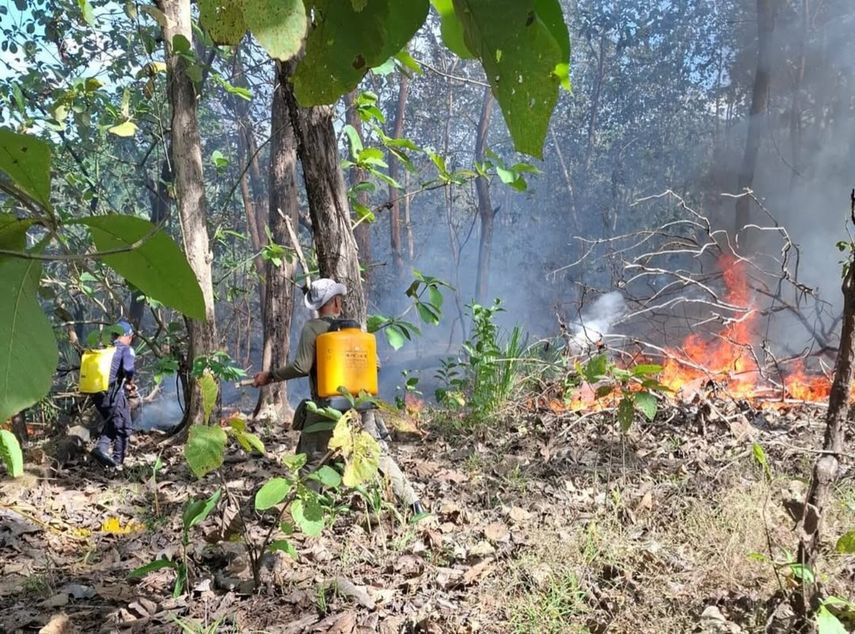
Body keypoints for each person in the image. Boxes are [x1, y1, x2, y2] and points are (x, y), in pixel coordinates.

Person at [253, 278, 425, 515]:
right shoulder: (356, 331)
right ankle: (415, 504)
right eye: (339, 300)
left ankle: (305, 514)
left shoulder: (312, 328)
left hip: (328, 408)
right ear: (335, 302)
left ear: (315, 305)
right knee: (378, 456)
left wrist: (270, 375)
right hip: (361, 405)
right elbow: (375, 367)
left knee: (310, 460)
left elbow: (302, 367)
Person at [90, 320, 137, 471]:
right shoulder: (126, 349)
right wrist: (130, 381)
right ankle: (117, 463)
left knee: (112, 423)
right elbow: (128, 368)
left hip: (96, 393)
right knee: (124, 426)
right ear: (128, 336)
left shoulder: (107, 348)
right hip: (112, 394)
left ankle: (101, 450)